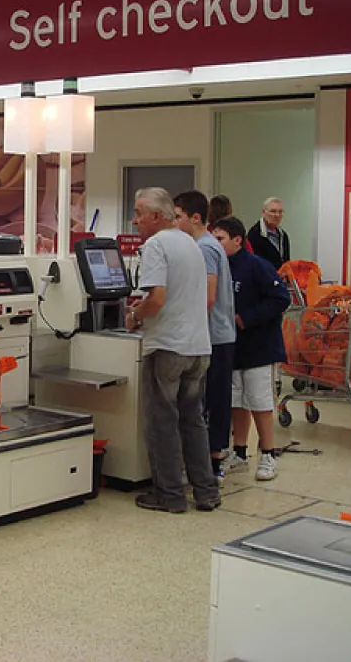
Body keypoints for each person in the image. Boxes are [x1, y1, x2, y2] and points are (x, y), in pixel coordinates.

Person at [126, 187, 219, 513]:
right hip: (197, 346)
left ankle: (169, 495)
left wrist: (135, 316)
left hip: (167, 346)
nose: (135, 220)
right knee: (193, 421)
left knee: (162, 422)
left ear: (156, 215)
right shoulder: (190, 243)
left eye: (139, 214)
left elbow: (158, 298)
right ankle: (206, 492)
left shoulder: (155, 245)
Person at [212, 217, 291, 481]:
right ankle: (240, 450)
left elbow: (281, 298)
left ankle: (268, 454)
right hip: (231, 347)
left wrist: (246, 318)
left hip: (259, 347)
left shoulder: (258, 266)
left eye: (220, 239)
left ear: (237, 240)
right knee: (236, 401)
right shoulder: (218, 268)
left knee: (259, 401)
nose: (215, 244)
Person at [174, 191, 237, 482]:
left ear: (195, 218)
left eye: (178, 217)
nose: (175, 224)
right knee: (210, 400)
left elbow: (208, 297)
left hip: (213, 336)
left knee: (209, 401)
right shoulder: (207, 246)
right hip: (215, 334)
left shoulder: (205, 249)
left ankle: (210, 464)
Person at [246, 197, 291, 270]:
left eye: (280, 212)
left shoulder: (283, 235)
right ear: (263, 212)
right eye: (273, 211)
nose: (277, 215)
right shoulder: (254, 235)